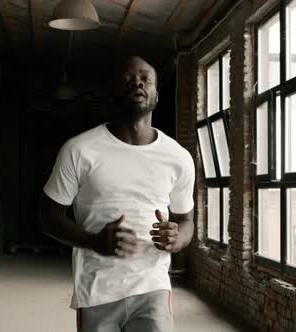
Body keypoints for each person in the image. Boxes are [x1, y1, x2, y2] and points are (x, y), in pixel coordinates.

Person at [39, 55, 195, 332]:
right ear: (112, 91)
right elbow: (48, 216)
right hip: (98, 288)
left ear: (156, 94)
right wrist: (93, 241)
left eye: (146, 78)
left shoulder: (178, 157)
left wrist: (177, 237)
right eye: (128, 78)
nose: (138, 82)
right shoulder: (79, 150)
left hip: (153, 286)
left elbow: (186, 221)